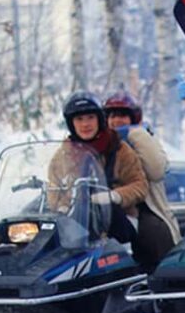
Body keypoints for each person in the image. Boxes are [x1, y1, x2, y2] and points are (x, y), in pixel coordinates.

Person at [49, 91, 150, 256]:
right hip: (76, 223)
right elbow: (54, 190)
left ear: (99, 119)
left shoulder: (119, 148)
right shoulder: (63, 156)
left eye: (90, 117)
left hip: (119, 222)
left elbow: (140, 186)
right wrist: (64, 206)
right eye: (79, 119)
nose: (85, 124)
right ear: (71, 123)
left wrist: (114, 196)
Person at [104, 92, 180, 268]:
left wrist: (135, 134)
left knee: (153, 233)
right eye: (112, 116)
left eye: (122, 116)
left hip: (146, 209)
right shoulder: (103, 144)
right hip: (111, 210)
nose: (116, 121)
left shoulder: (143, 139)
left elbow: (156, 170)